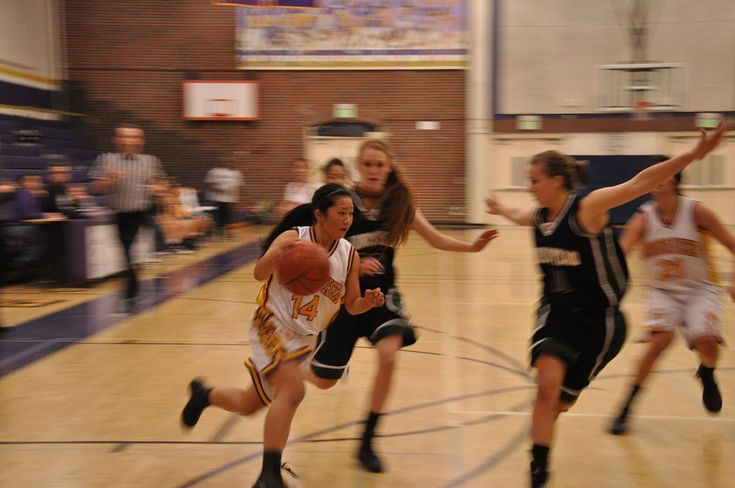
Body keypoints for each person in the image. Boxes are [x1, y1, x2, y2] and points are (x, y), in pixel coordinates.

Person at [484, 123, 727, 488]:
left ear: (556, 181)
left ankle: (703, 371)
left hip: (600, 322)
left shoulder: (587, 207)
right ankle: (538, 470)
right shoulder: (538, 217)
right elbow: (519, 215)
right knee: (546, 384)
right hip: (556, 314)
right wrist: (501, 208)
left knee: (560, 404)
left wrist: (695, 153)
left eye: (534, 180)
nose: (528, 187)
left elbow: (639, 184)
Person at [263, 139, 497, 473]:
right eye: (368, 164)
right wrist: (351, 265)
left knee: (389, 355)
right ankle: (289, 370)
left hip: (383, 297)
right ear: (359, 166)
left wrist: (472, 247)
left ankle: (368, 440)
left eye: (380, 165)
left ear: (389, 167)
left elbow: (435, 238)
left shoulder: (398, 203)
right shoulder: (342, 203)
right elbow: (314, 246)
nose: (373, 170)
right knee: (325, 381)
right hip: (344, 299)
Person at [180, 184, 385, 488]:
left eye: (351, 214)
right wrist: (279, 256)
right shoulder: (294, 238)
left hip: (304, 339)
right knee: (293, 391)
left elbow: (350, 305)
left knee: (250, 404)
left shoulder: (349, 255)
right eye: (341, 213)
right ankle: (269, 475)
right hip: (272, 323)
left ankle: (204, 396)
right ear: (319, 214)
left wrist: (367, 302)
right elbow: (258, 274)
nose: (347, 220)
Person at [608, 169, 734, 435]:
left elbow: (732, 244)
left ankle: (707, 373)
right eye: (652, 176)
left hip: (701, 288)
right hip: (662, 291)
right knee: (658, 343)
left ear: (675, 181)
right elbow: (621, 255)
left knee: (707, 342)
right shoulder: (643, 218)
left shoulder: (697, 212)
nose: (655, 180)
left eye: (663, 175)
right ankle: (626, 407)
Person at [89, 124, 165, 311]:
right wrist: (109, 180)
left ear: (141, 141)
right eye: (123, 136)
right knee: (127, 254)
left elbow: (161, 186)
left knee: (140, 249)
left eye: (132, 137)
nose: (127, 140)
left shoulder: (150, 161)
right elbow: (97, 188)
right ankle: (132, 289)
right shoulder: (106, 160)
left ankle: (133, 288)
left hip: (144, 212)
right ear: (116, 139)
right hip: (122, 213)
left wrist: (158, 189)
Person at [205, 154, 243, 240]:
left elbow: (239, 185)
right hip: (217, 198)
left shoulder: (236, 173)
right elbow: (209, 184)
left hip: (230, 199)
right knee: (218, 216)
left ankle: (228, 233)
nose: (230, 162)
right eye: (228, 161)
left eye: (232, 161)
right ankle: (218, 233)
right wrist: (218, 189)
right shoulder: (214, 172)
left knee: (228, 217)